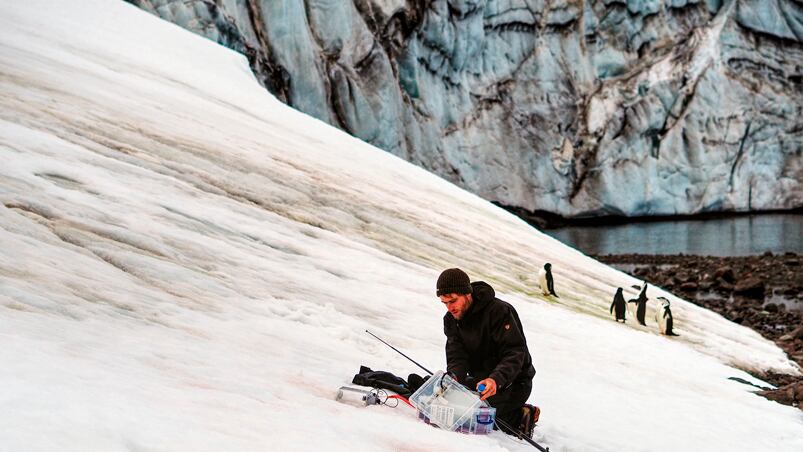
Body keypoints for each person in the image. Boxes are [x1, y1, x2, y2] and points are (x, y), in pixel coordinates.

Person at [437, 268, 539, 437]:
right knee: (449, 401)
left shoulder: (499, 311)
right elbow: (457, 356)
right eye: (445, 303)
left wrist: (495, 379)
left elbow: (515, 353)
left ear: (467, 294)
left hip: (513, 383)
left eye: (453, 301)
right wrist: (454, 378)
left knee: (474, 414)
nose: (449, 308)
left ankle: (522, 415)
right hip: (480, 382)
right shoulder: (451, 320)